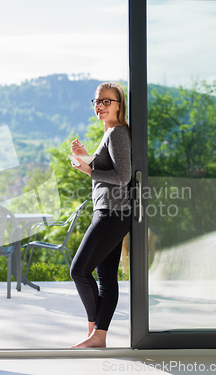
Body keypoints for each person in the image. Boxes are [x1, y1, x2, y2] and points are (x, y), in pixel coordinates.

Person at [69, 82, 132, 348]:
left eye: (107, 101)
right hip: (111, 211)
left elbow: (123, 176)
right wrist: (84, 157)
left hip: (112, 212)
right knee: (106, 278)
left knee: (79, 271)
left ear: (119, 105)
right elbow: (108, 166)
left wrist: (88, 171)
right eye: (97, 101)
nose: (100, 106)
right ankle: (98, 336)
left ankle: (94, 329)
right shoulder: (111, 133)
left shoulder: (117, 133)